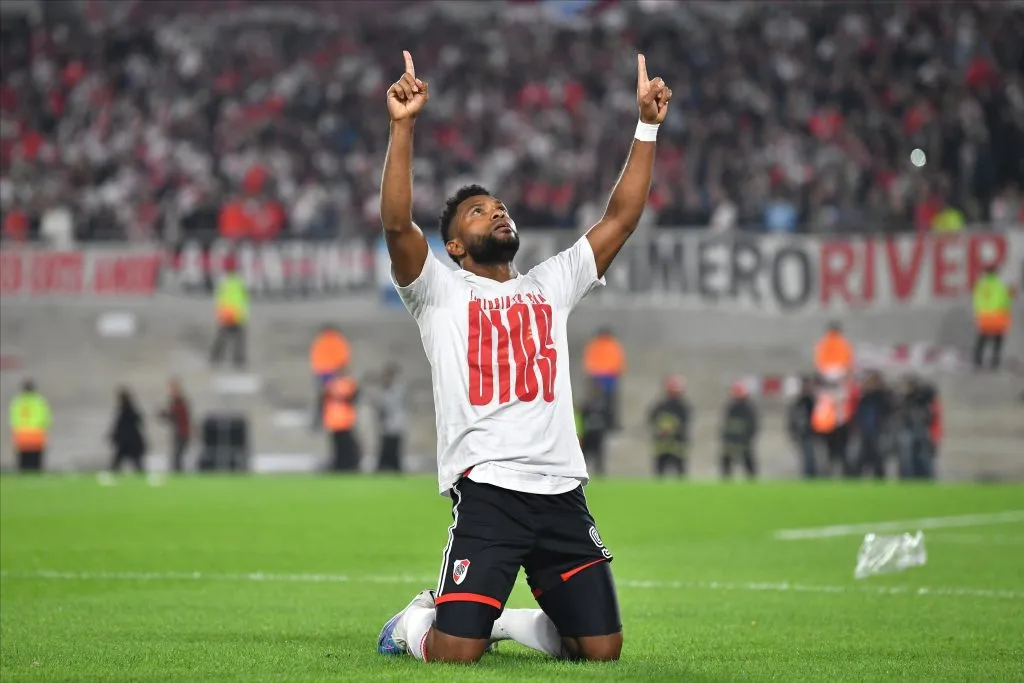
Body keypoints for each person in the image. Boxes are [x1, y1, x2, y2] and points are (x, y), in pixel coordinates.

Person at [376, 51, 671, 664]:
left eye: (499, 205)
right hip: (488, 490)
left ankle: (501, 621)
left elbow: (622, 217)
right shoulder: (438, 291)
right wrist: (403, 127)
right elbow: (398, 224)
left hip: (561, 489)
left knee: (601, 651)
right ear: (455, 245)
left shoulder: (549, 284)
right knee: (456, 654)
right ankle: (414, 623)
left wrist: (646, 127)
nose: (498, 210)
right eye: (479, 211)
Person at [582, 327, 626, 430]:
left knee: (597, 402)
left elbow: (588, 360)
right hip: (607, 377)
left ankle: (598, 423)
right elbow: (619, 360)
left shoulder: (594, 344)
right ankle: (609, 423)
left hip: (599, 376)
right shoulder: (613, 344)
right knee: (609, 402)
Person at [647, 376, 691, 478]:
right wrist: (660, 430)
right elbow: (652, 419)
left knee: (680, 470)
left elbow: (685, 422)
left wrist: (671, 429)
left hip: (678, 444)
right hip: (662, 445)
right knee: (660, 471)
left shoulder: (683, 407)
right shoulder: (660, 406)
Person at [972, 264, 1014, 371]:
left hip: (984, 317)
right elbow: (1006, 301)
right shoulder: (1000, 285)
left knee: (982, 339)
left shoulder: (981, 285)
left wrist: (979, 314)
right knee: (998, 340)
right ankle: (995, 362)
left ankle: (977, 360)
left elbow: (976, 300)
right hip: (998, 317)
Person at [210, 260, 249, 369]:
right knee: (239, 338)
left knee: (222, 337)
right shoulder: (240, 280)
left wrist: (218, 313)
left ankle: (215, 358)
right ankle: (238, 360)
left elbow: (218, 298)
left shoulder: (223, 280)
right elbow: (244, 298)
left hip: (226, 312)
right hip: (236, 312)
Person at [310, 325, 351, 429]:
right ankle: (329, 420)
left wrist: (317, 371)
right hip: (333, 372)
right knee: (333, 398)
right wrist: (341, 370)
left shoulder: (320, 340)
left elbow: (315, 357)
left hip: (322, 373)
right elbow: (344, 357)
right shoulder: (339, 340)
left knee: (322, 397)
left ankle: (320, 420)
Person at [852, 371, 890, 479]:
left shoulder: (882, 397)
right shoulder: (864, 397)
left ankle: (879, 477)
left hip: (878, 430)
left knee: (878, 455)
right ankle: (859, 477)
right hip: (865, 430)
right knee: (862, 455)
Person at [370, 363, 407, 473]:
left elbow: (390, 405)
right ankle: (383, 468)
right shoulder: (382, 390)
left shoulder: (397, 390)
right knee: (384, 448)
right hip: (385, 425)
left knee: (394, 449)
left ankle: (395, 468)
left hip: (395, 424)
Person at [8, 379, 51, 472]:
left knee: (23, 463)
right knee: (35, 464)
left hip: (22, 436)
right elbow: (46, 419)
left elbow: (13, 420)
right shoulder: (40, 402)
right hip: (36, 436)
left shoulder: (17, 402)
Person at [323, 368, 360, 472]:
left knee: (344, 446)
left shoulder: (333, 385)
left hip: (343, 420)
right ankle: (343, 465)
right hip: (338, 421)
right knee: (340, 446)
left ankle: (345, 465)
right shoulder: (338, 384)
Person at [720, 382, 758, 479]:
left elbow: (752, 425)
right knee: (727, 460)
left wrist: (747, 437)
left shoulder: (748, 408)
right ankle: (726, 480)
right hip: (731, 440)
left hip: (744, 440)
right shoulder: (731, 407)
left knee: (747, 460)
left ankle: (751, 480)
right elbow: (727, 423)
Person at [108, 387, 147, 473]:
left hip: (127, 442)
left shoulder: (125, 411)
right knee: (136, 464)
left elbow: (119, 426)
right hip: (132, 442)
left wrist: (114, 436)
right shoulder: (131, 410)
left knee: (118, 462)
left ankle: (112, 474)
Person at [577, 380, 610, 476]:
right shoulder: (586, 404)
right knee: (584, 455)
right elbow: (582, 418)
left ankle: (599, 473)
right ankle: (582, 472)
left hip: (598, 434)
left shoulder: (603, 404)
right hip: (588, 433)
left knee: (598, 455)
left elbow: (607, 417)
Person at [786, 376, 817, 478]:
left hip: (814, 433)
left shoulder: (814, 401)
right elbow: (792, 418)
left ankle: (812, 476)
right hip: (803, 433)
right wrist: (793, 432)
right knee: (807, 457)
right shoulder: (798, 402)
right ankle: (808, 476)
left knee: (812, 457)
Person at [158, 378, 192, 472]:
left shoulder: (179, 402)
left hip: (182, 432)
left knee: (177, 455)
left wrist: (165, 415)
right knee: (177, 455)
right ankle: (177, 472)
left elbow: (177, 417)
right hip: (179, 431)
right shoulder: (176, 402)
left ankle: (177, 473)